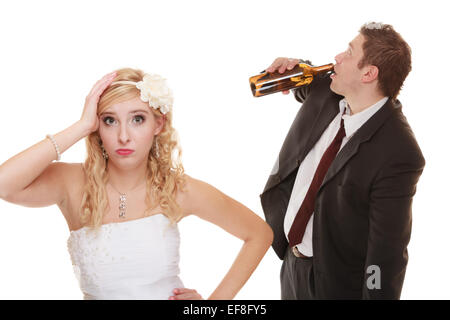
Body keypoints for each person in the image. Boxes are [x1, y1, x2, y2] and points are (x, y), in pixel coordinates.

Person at [0, 68, 273, 300]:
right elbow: (4, 184)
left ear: (158, 124)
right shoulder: (71, 183)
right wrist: (81, 125)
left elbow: (259, 234)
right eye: (109, 120)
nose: (123, 136)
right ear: (98, 126)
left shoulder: (179, 189)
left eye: (137, 119)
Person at [259, 22, 425, 299]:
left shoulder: (400, 152)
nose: (337, 57)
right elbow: (304, 82)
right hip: (290, 265)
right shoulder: (327, 90)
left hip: (335, 285)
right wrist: (293, 65)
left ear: (369, 74)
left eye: (349, 52)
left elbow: (387, 255)